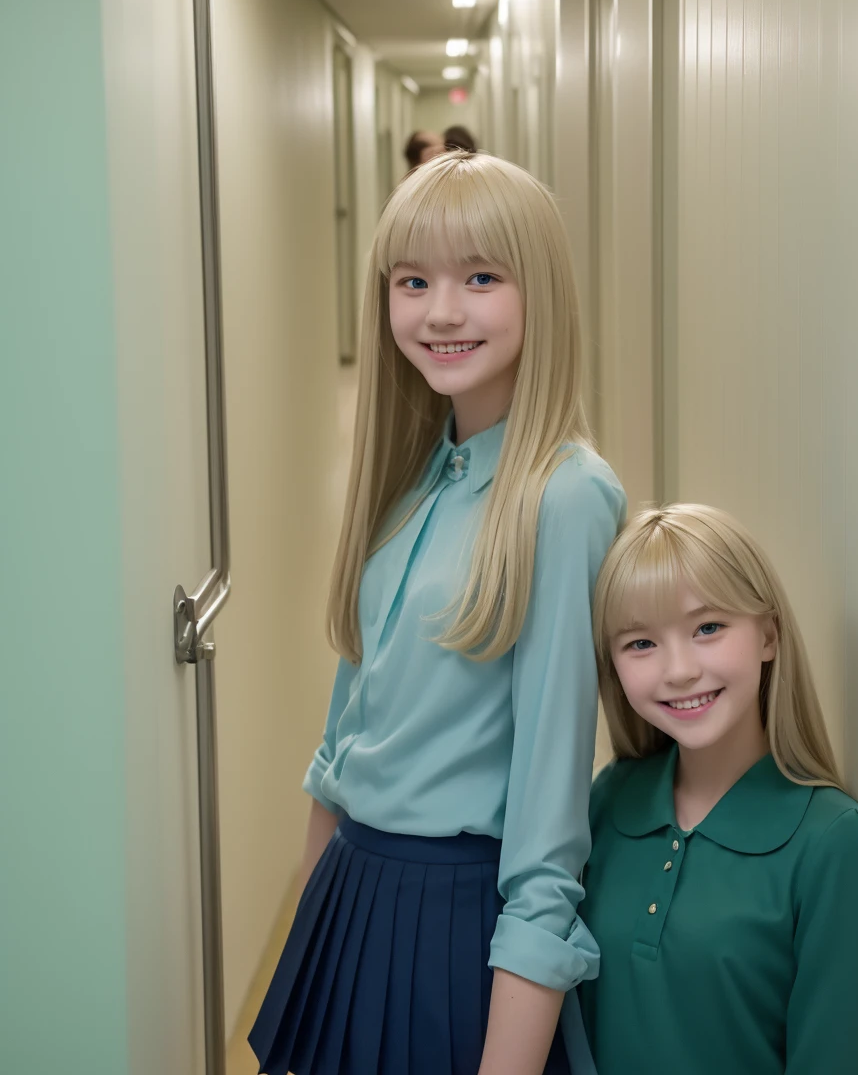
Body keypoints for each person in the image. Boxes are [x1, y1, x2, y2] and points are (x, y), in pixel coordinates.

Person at [249, 150, 627, 1075]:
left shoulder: (565, 497)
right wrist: (313, 938)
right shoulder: (412, 478)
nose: (441, 311)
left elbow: (547, 822)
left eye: (481, 278)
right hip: (349, 898)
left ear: (540, 292)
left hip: (460, 923)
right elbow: (342, 749)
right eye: (412, 281)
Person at [579, 504, 858, 1075]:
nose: (679, 670)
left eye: (708, 628)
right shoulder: (607, 800)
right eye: (640, 643)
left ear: (768, 635)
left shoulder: (835, 842)